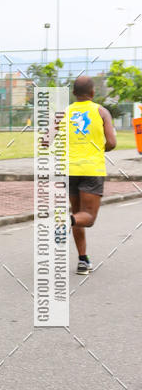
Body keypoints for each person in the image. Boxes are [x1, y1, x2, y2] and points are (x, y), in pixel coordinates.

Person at [68, 76, 116, 274]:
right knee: (88, 217)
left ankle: (82, 260)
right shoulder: (101, 111)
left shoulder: (64, 113)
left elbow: (47, 141)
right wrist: (96, 149)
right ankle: (64, 221)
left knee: (78, 214)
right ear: (93, 93)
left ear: (73, 93)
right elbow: (112, 143)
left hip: (69, 170)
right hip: (91, 169)